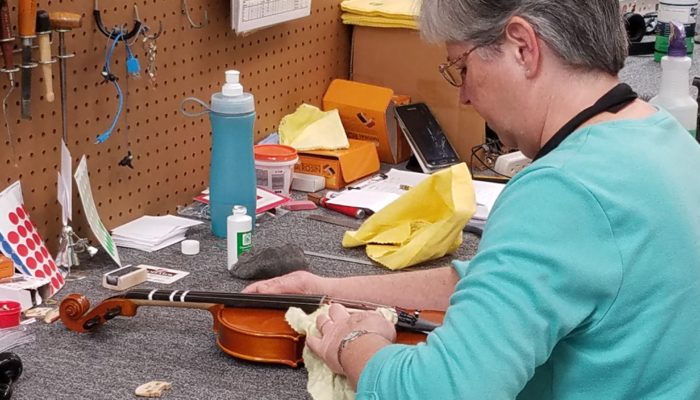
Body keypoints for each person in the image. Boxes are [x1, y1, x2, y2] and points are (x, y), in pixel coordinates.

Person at [244, 0, 700, 398]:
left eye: (462, 67)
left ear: (523, 45)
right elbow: (492, 283)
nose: (462, 96)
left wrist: (353, 343)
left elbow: (435, 392)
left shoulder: (563, 191)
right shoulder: (666, 138)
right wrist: (326, 289)